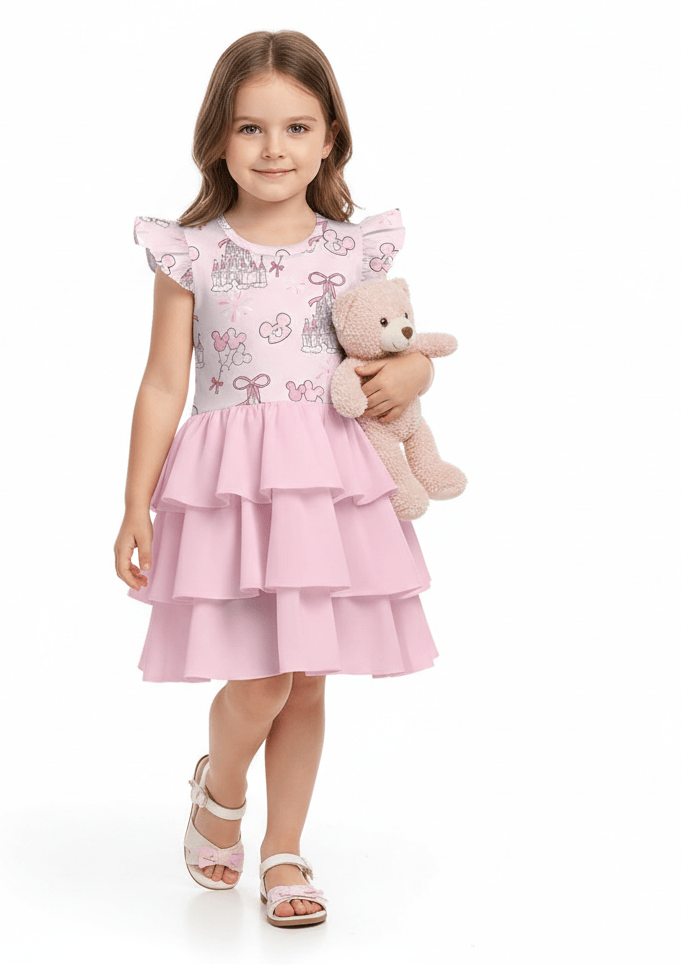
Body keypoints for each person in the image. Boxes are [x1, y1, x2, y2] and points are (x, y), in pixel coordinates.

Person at [113, 30, 440, 928]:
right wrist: (135, 502)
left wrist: (416, 371)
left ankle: (284, 850)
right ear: (218, 137)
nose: (273, 148)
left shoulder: (354, 252)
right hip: (232, 486)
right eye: (251, 128)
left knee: (306, 677)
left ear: (330, 137)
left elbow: (393, 348)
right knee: (258, 678)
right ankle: (219, 791)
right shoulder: (190, 254)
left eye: (296, 127)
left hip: (326, 485)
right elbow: (163, 383)